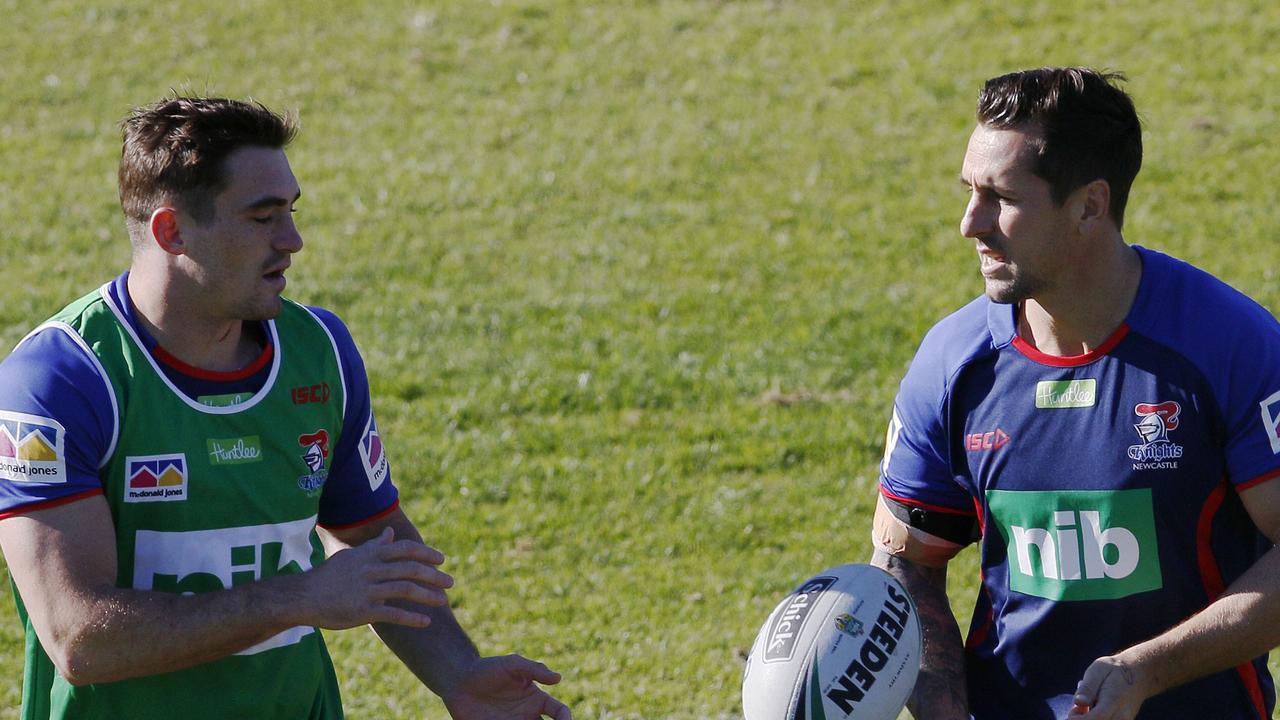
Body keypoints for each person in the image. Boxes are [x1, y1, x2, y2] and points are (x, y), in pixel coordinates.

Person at [0, 96, 572, 720]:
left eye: (291, 212)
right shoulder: (61, 380)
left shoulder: (317, 352)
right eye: (262, 217)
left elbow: (370, 540)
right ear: (172, 231)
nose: (293, 241)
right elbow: (80, 638)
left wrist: (458, 673)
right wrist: (297, 597)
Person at [871, 67, 1280, 720]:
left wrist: (1146, 670)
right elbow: (906, 565)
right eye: (968, 191)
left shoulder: (1228, 347)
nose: (969, 224)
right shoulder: (953, 365)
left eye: (1000, 197)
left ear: (1090, 204)